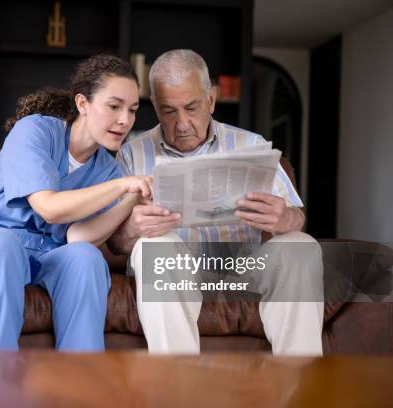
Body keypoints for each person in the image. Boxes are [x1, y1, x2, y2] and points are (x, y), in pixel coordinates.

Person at [107, 49, 324, 355]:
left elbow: (296, 217)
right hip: (177, 269)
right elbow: (115, 242)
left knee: (300, 245)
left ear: (210, 100)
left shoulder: (252, 146)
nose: (182, 123)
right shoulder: (131, 155)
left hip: (245, 265)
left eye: (192, 108)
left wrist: (285, 218)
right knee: (153, 246)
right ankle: (178, 387)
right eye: (169, 111)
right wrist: (133, 228)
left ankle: (301, 383)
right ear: (155, 106)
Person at [0, 55, 152, 351]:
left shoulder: (109, 171)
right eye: (114, 106)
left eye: (132, 110)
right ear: (82, 104)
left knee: (86, 258)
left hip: (43, 259)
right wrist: (121, 185)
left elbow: (77, 237)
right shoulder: (35, 131)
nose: (125, 120)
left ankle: (80, 387)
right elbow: (49, 208)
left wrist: (131, 198)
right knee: (3, 243)